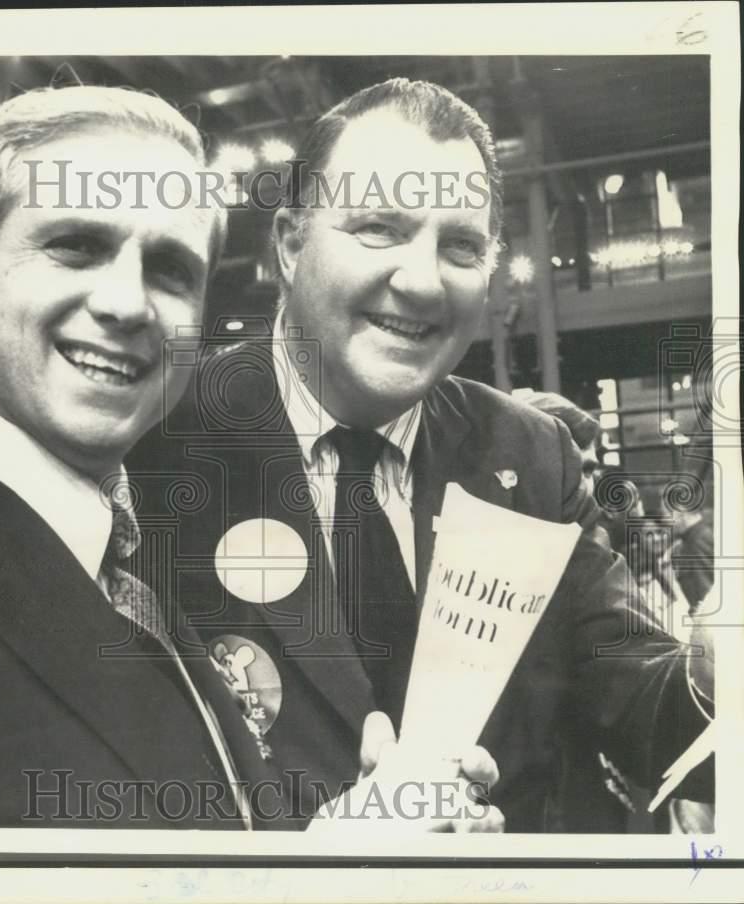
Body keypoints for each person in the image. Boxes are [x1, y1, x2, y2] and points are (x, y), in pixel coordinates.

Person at [0, 84, 500, 831]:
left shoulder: (135, 574)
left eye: (171, 270)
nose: (125, 303)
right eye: (76, 247)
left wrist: (360, 828)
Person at [122, 78, 714, 831]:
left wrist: (710, 676)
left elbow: (645, 710)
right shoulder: (156, 445)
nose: (423, 280)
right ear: (290, 243)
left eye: (461, 245)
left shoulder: (529, 458)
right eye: (379, 228)